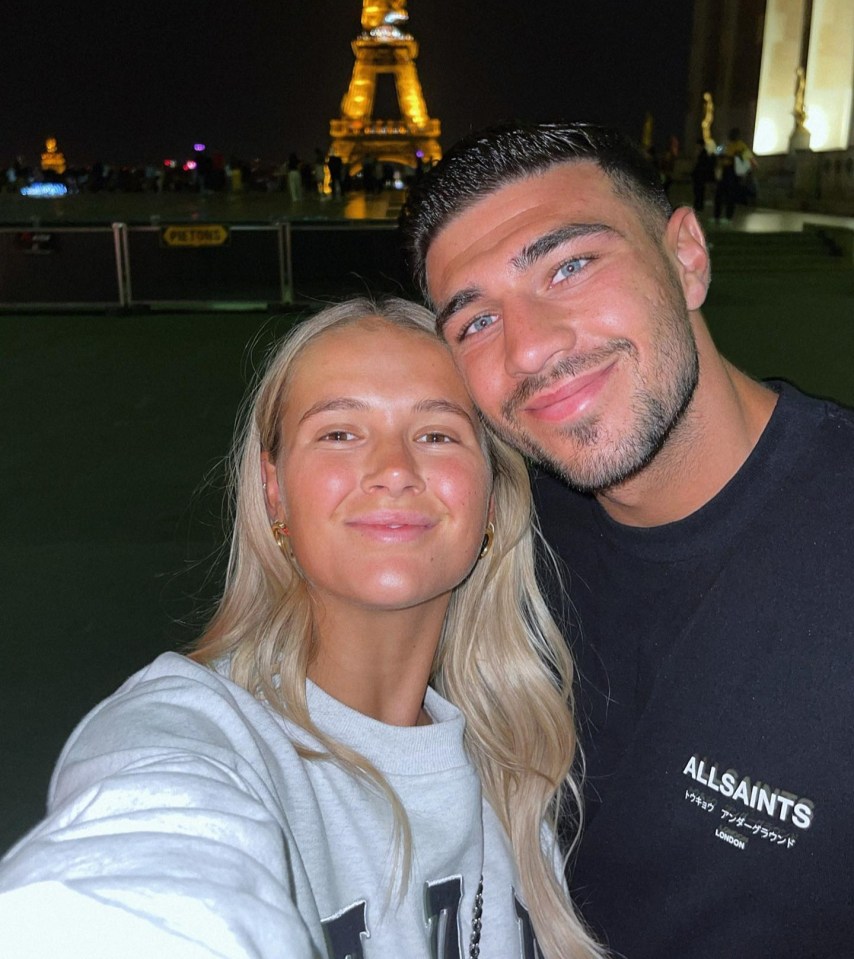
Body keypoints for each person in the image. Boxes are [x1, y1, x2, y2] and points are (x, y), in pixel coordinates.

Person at [0, 298, 603, 959]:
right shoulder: (193, 734)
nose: (396, 470)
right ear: (274, 489)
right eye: (340, 432)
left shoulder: (522, 772)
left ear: (492, 494)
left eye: (437, 434)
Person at [399, 121, 854, 958]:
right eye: (475, 322)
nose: (530, 346)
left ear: (687, 257)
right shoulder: (495, 542)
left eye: (569, 266)